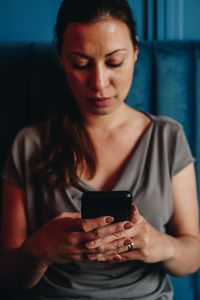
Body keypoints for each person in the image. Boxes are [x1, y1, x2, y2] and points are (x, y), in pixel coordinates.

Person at [0, 0, 200, 299]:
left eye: (114, 61)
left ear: (135, 50)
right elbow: (9, 275)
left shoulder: (167, 137)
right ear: (61, 57)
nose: (99, 83)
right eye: (81, 63)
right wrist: (40, 250)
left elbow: (192, 255)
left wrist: (162, 245)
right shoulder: (30, 144)